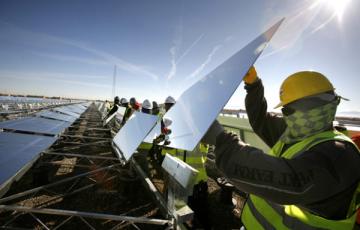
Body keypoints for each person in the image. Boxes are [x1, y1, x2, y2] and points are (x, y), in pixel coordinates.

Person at [202, 67, 360, 229]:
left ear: (312, 106)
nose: (286, 116)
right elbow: (260, 119)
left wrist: (221, 140)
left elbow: (290, 181)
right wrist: (253, 85)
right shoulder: (293, 131)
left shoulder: (341, 155)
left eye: (288, 110)